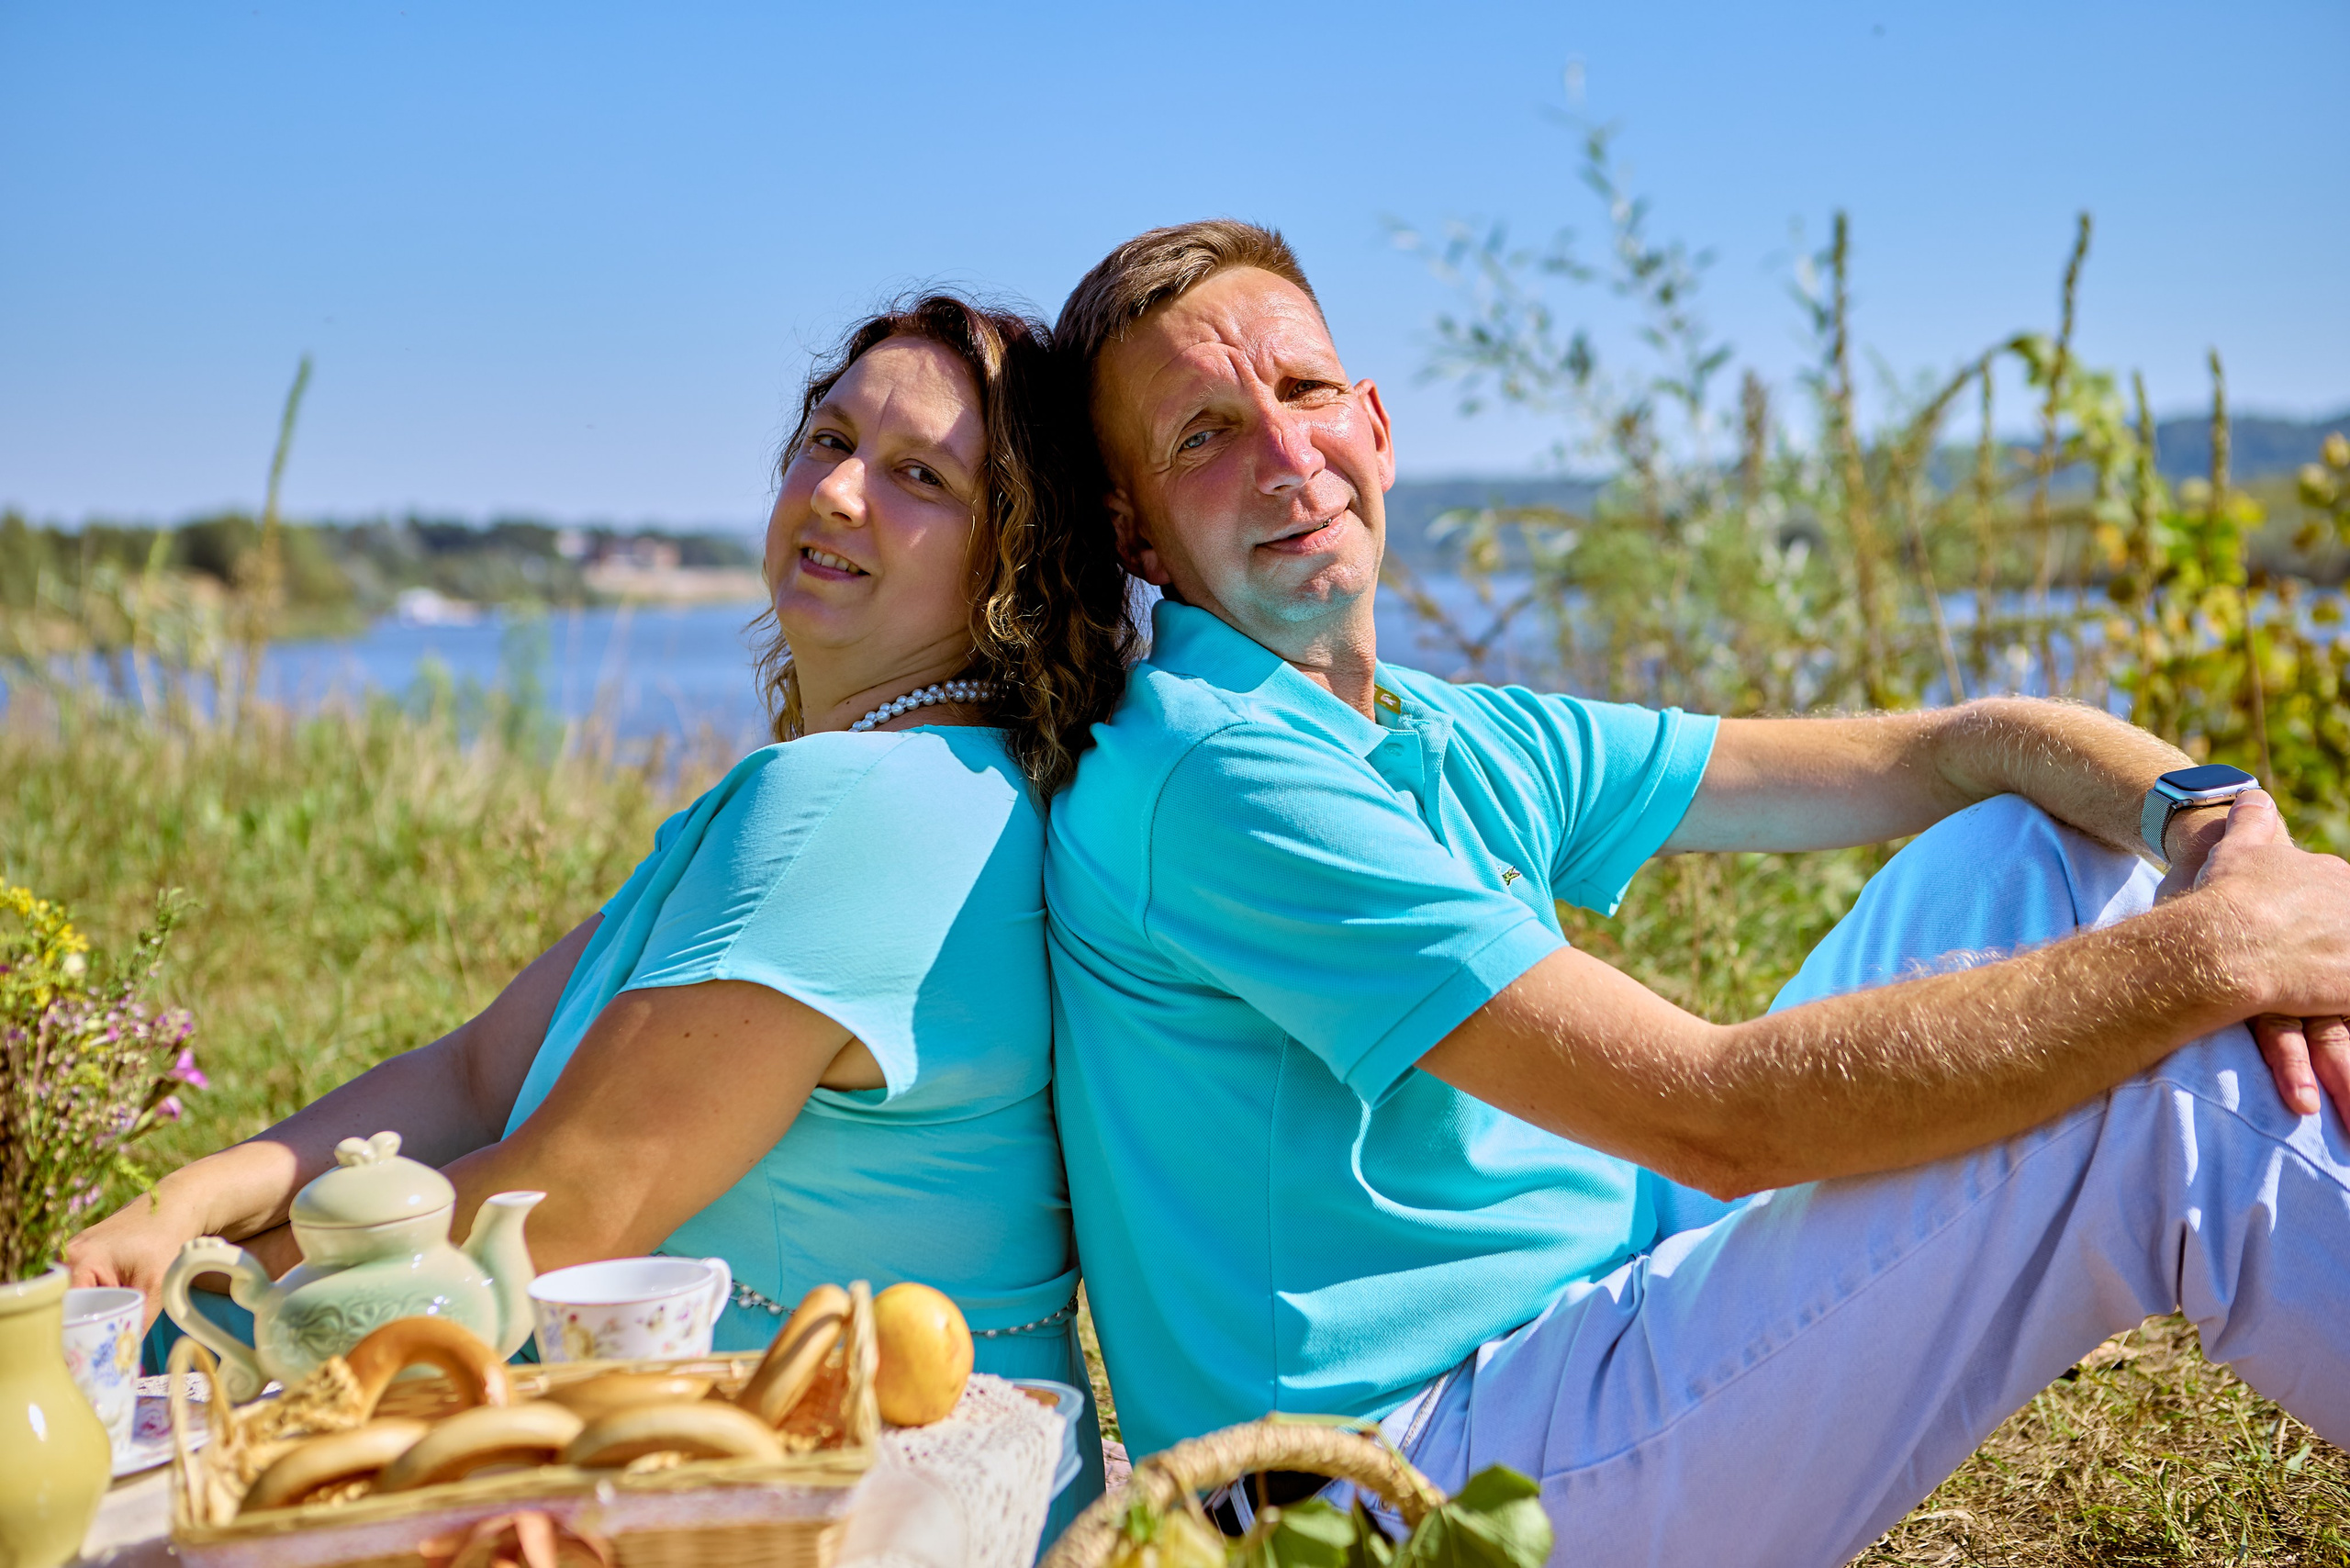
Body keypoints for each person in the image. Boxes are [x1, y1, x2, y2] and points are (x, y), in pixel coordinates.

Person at [1041, 219, 2350, 1562]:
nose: (1284, 455)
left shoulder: (1438, 728)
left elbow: (1947, 751)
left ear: (1373, 427)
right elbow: (1720, 1121)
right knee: (2174, 1105)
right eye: (1203, 434)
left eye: (1305, 391)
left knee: (2030, 849)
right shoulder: (1211, 770)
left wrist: (2225, 839)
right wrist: (2227, 950)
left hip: (1593, 1325)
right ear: (1134, 531)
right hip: (1398, 1487)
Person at [71, 292, 1135, 1533]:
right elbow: (475, 1073)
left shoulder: (859, 806)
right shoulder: (895, 780)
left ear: (1010, 561)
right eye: (831, 440)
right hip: (798, 1479)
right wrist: (189, 1200)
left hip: (818, 1510)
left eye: (920, 477)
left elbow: (567, 1209)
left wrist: (222, 1301)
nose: (840, 493)